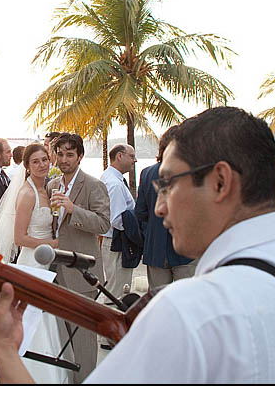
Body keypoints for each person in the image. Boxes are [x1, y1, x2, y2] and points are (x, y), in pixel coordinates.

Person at [0, 107, 275, 384]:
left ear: (220, 182)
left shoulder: (188, 310)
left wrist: (2, 347)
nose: (161, 205)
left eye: (167, 183)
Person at [0, 143, 68, 383]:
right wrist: (54, 243)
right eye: (35, 161)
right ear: (26, 166)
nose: (42, 165)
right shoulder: (27, 194)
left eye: (45, 160)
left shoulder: (47, 189)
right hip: (33, 264)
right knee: (32, 323)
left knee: (44, 322)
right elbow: (20, 238)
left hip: (47, 264)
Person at [46, 133, 110, 383]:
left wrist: (73, 209)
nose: (63, 159)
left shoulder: (94, 185)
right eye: (60, 154)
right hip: (55, 271)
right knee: (62, 336)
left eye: (69, 154)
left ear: (80, 157)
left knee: (83, 338)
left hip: (83, 272)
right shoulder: (52, 185)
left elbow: (104, 223)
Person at [135, 126, 195, 291]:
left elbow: (140, 212)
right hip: (185, 250)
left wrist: (149, 234)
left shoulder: (147, 173)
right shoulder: (188, 172)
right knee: (187, 298)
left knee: (157, 300)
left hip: (156, 248)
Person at [100, 144, 137, 301]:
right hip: (117, 241)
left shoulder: (110, 178)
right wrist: (136, 232)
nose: (134, 160)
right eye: (131, 156)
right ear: (119, 156)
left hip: (112, 240)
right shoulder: (114, 184)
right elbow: (117, 219)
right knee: (117, 293)